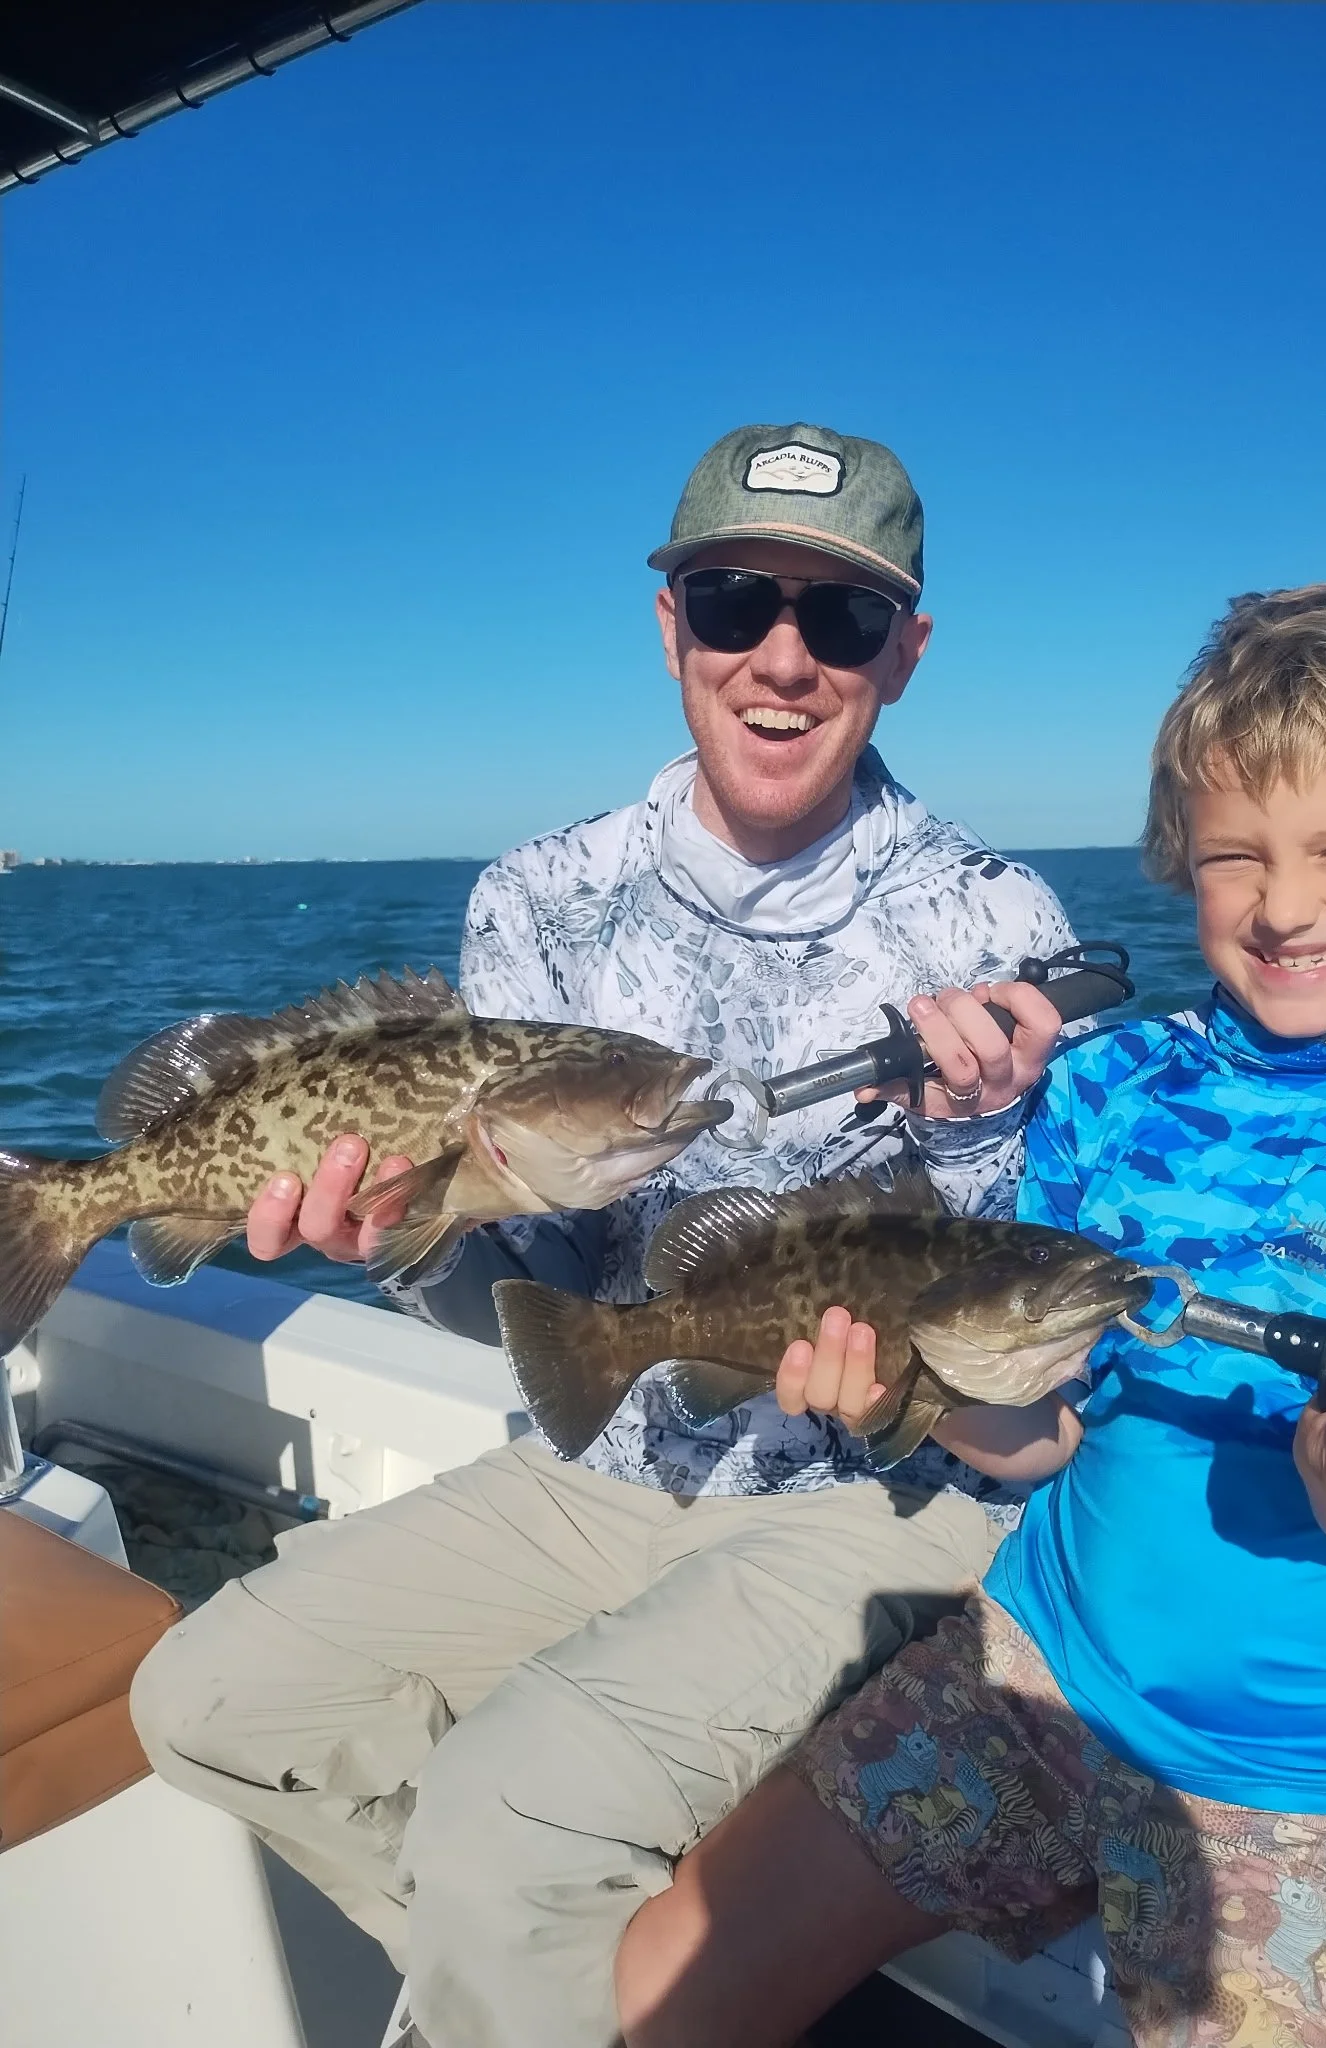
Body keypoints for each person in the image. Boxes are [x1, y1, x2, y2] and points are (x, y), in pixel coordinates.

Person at [129, 422, 1084, 2048]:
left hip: (871, 1496)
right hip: (604, 1447)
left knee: (507, 1818)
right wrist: (396, 1235)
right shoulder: (536, 899)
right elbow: (536, 1300)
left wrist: (975, 1135)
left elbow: (1025, 1346)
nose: (782, 658)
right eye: (733, 603)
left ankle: (539, 1977)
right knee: (206, 1702)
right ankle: (555, 1988)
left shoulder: (1003, 931)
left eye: (841, 620)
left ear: (904, 657)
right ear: (670, 627)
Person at [614, 584, 1326, 2048]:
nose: (1286, 905)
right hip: (1033, 1669)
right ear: (1182, 866)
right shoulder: (1108, 1087)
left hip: (1317, 1781)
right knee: (666, 1977)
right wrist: (923, 1393)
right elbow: (1039, 1435)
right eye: (1236, 857)